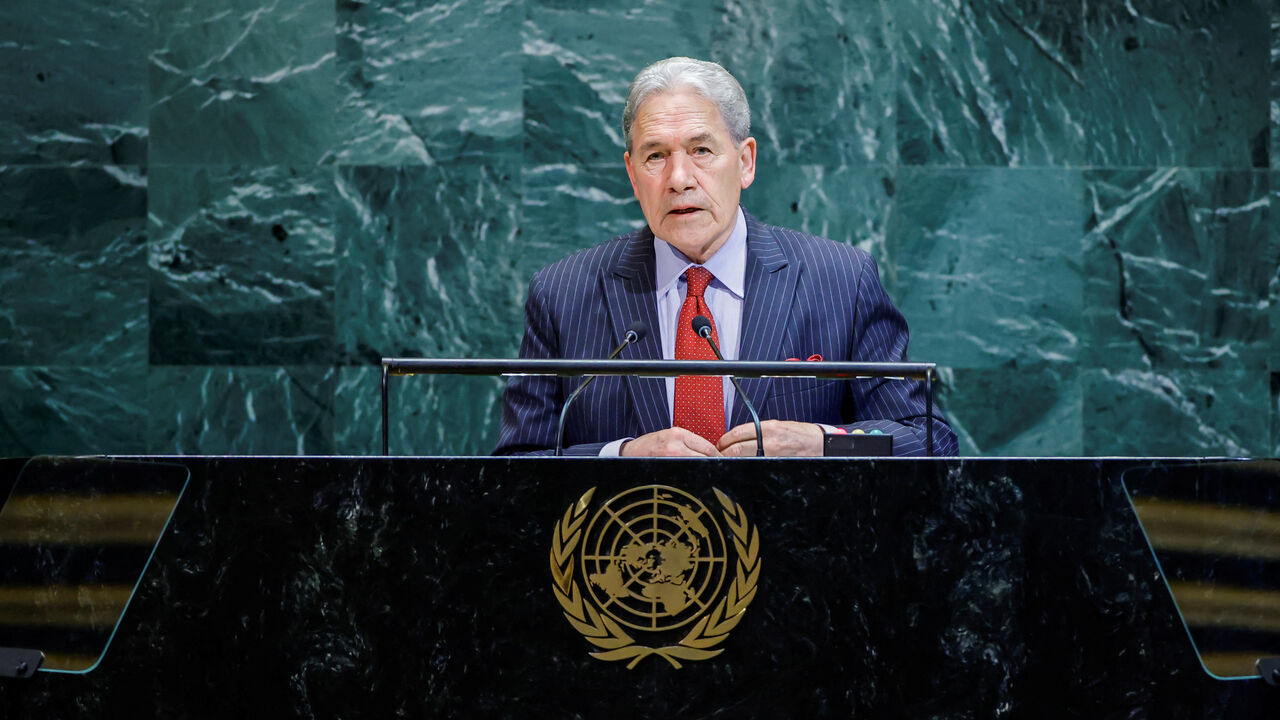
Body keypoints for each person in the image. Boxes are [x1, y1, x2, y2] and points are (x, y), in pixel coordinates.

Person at [494, 57, 957, 457]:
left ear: (746, 162)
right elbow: (516, 462)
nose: (679, 178)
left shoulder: (840, 281)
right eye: (656, 156)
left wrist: (822, 442)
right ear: (633, 176)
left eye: (701, 150)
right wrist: (621, 454)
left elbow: (927, 439)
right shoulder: (563, 295)